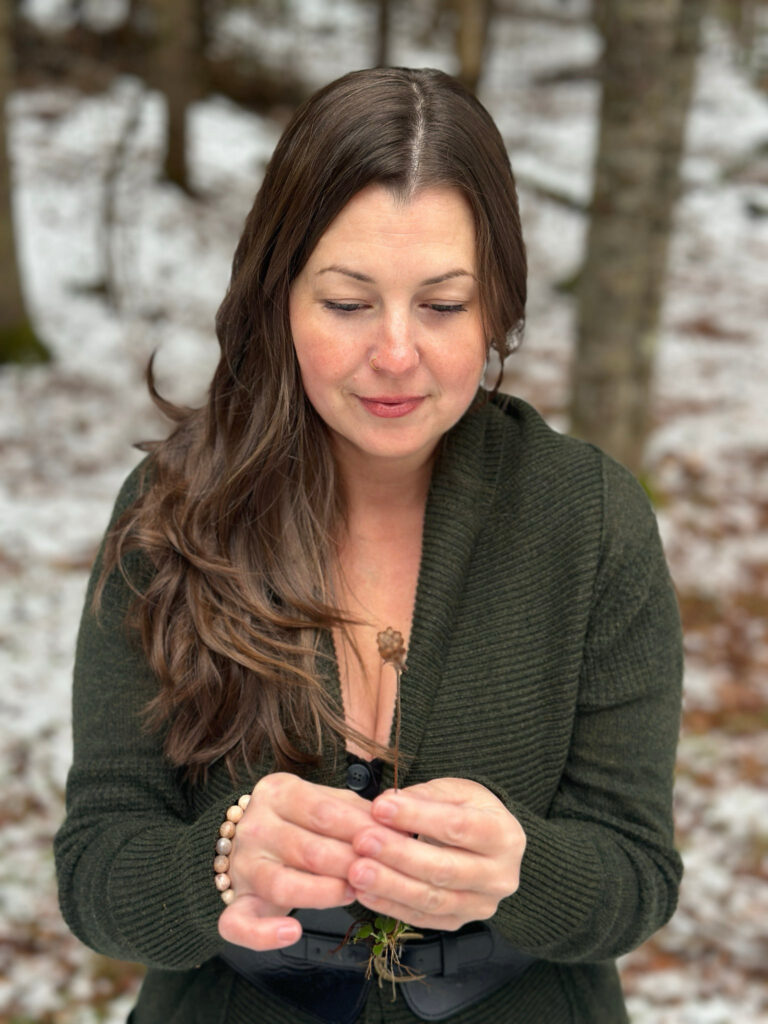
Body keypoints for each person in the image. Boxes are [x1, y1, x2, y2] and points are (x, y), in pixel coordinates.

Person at [55, 67, 683, 1024]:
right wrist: (216, 864)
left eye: (443, 306)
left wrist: (528, 868)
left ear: (498, 306)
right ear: (278, 299)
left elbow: (637, 873)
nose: (395, 354)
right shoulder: (172, 513)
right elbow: (96, 868)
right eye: (348, 303)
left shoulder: (589, 520)